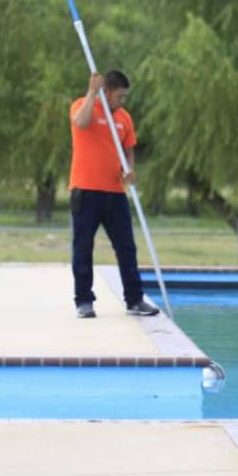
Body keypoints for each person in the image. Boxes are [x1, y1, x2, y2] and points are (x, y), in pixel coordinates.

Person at [68, 70, 160, 318]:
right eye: (119, 96)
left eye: (125, 97)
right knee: (83, 247)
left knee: (126, 247)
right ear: (106, 91)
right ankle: (84, 301)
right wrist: (90, 92)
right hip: (85, 191)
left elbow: (128, 150)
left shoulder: (125, 118)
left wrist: (129, 170)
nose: (123, 101)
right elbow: (81, 122)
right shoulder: (81, 105)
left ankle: (134, 299)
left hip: (115, 192)